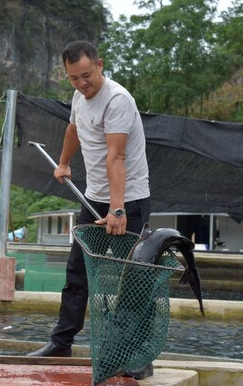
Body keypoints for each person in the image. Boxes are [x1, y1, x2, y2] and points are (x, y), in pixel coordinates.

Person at [28, 41, 152, 379]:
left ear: (99, 64)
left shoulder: (117, 101)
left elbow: (116, 157)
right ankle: (61, 342)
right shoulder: (80, 97)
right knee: (77, 273)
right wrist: (64, 162)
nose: (82, 84)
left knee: (133, 280)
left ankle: (138, 355)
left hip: (128, 202)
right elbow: (73, 129)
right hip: (94, 197)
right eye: (73, 78)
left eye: (86, 75)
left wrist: (117, 209)